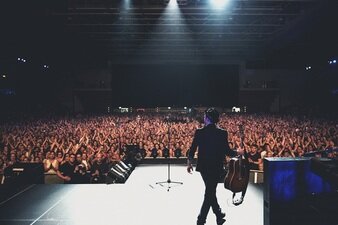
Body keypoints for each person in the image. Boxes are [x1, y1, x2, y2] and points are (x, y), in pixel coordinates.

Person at [187, 108, 243, 225]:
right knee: (210, 191)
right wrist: (238, 152)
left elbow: (192, 149)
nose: (203, 118)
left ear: (207, 118)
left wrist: (189, 163)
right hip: (216, 167)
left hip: (203, 168)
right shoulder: (222, 133)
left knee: (210, 191)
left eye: (204, 116)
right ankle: (210, 217)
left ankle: (209, 217)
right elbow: (227, 151)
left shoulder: (200, 132)